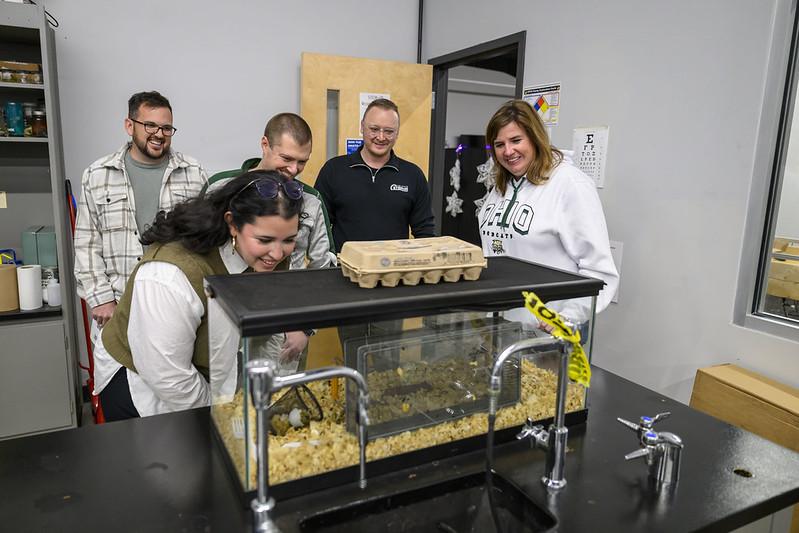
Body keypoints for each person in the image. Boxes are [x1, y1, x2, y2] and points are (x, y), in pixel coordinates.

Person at [93, 171, 304, 421]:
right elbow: (167, 374)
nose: (278, 253)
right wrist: (221, 418)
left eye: (289, 240)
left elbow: (266, 329)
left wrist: (267, 391)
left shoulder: (270, 258)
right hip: (142, 383)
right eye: (264, 239)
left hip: (201, 372)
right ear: (233, 224)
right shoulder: (170, 273)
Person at [478, 99, 619, 329]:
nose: (508, 151)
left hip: (548, 331)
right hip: (503, 325)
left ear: (534, 138)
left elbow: (598, 270)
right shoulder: (501, 186)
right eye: (499, 144)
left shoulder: (570, 184)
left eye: (516, 140)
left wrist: (564, 319)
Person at [74, 91, 208, 330]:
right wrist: (101, 299)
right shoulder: (98, 175)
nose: (159, 134)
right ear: (129, 125)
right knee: (119, 368)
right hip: (118, 305)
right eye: (150, 125)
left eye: (167, 128)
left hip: (178, 303)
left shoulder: (193, 172)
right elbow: (87, 242)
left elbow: (206, 239)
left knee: (174, 368)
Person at [204, 112, 334, 269]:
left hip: (289, 289)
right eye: (286, 158)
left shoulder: (311, 200)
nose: (293, 170)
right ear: (265, 145)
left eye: (302, 162)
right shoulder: (221, 185)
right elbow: (200, 244)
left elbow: (323, 264)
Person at [314, 98, 436, 252]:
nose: (381, 137)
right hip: (343, 272)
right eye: (374, 129)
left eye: (389, 131)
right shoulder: (333, 170)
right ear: (362, 127)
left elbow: (425, 232)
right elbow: (319, 228)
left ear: (397, 133)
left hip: (394, 272)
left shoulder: (413, 175)